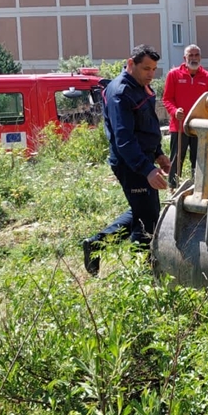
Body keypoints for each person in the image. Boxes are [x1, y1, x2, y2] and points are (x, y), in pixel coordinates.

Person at [82, 44, 173, 276]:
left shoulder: (140, 86)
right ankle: (144, 271)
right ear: (130, 63)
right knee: (149, 218)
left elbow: (146, 127)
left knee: (142, 210)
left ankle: (97, 244)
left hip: (142, 159)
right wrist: (146, 169)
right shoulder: (121, 93)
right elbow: (124, 139)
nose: (151, 74)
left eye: (154, 69)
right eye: (146, 68)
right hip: (130, 163)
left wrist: (158, 154)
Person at [162, 44, 208, 185]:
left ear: (200, 57)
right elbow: (167, 99)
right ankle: (173, 188)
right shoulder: (173, 75)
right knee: (177, 159)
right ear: (184, 58)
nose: (193, 58)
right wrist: (174, 111)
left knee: (198, 160)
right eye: (190, 55)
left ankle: (198, 186)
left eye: (196, 55)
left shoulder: (207, 77)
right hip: (179, 126)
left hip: (199, 126)